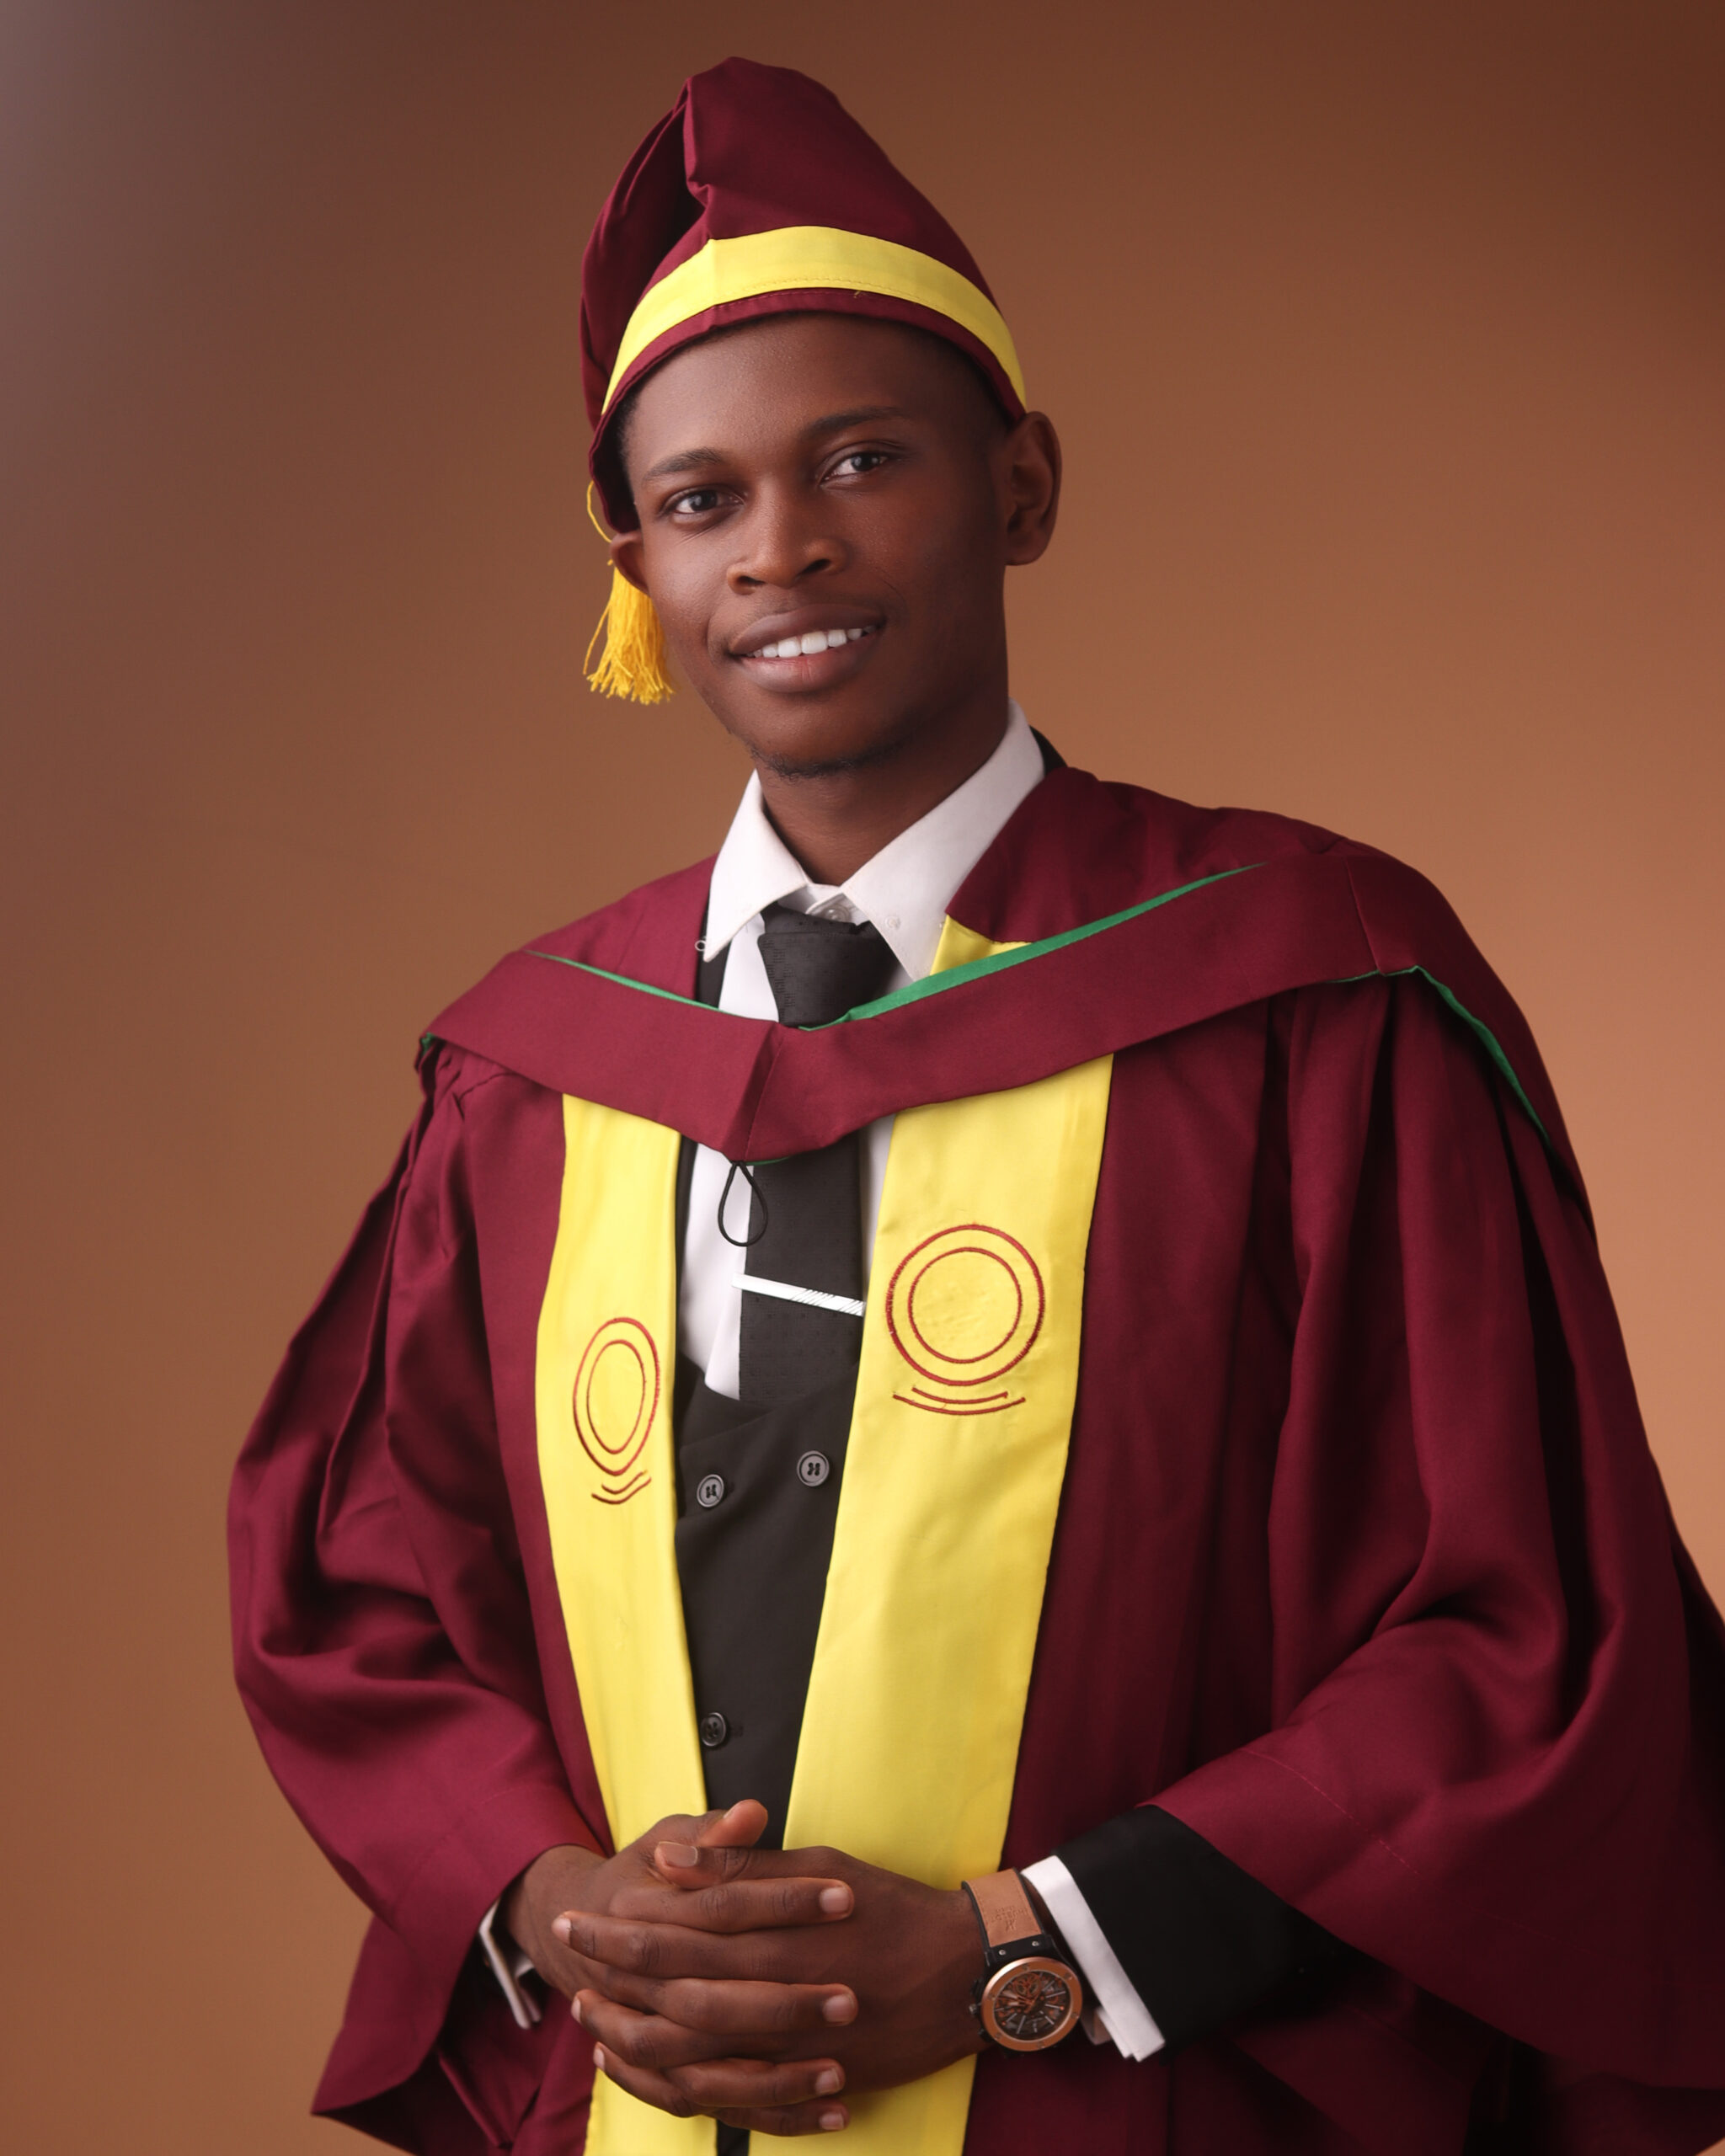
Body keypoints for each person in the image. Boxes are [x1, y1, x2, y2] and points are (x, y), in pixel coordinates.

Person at [230, 56, 1725, 2156]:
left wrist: (1036, 1940)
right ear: (638, 570)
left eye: (861, 461)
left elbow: (1514, 1615)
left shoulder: (1303, 994)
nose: (783, 548)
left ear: (1019, 483)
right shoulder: (535, 1070)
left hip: (1134, 2106)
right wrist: (564, 1910)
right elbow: (368, 1583)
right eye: (701, 499)